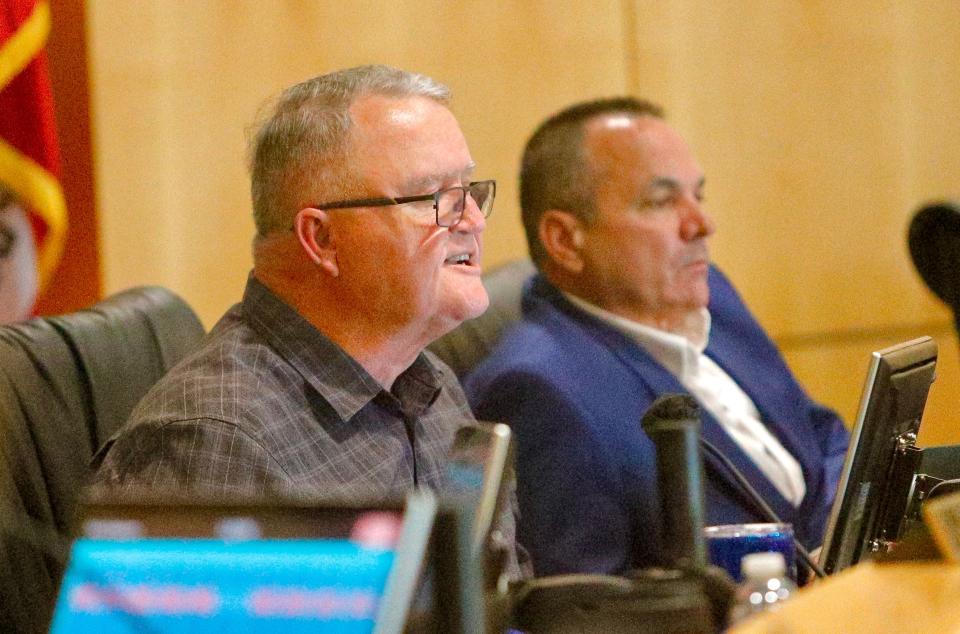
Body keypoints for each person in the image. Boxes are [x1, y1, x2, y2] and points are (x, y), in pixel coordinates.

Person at [464, 97, 849, 577]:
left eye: (698, 196)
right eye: (663, 201)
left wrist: (845, 540)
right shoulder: (541, 392)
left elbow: (820, 432)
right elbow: (587, 608)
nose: (701, 225)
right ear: (565, 240)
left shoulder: (711, 296)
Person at [92, 65, 496, 501]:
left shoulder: (430, 381)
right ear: (322, 239)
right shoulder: (218, 442)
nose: (473, 220)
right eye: (434, 198)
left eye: (467, 191)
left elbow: (493, 569)